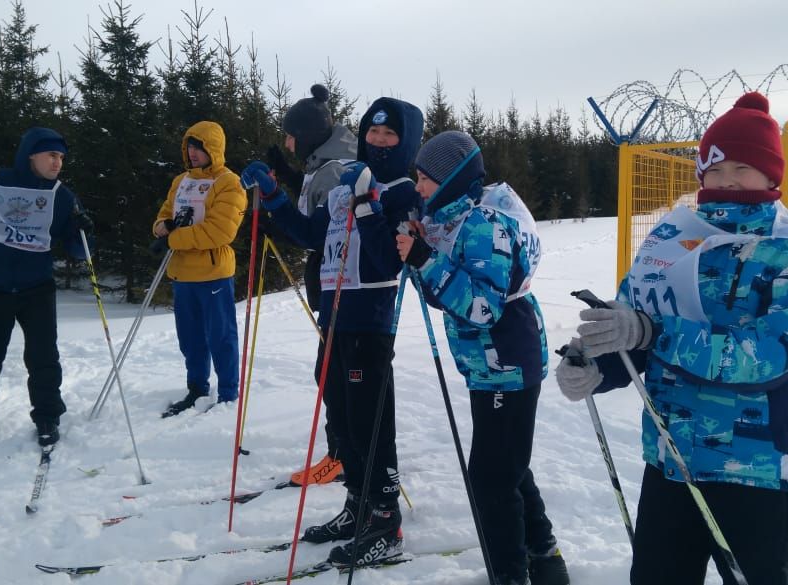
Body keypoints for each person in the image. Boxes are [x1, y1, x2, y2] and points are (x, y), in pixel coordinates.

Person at [555, 92, 788, 585]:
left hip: (753, 473)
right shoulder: (671, 239)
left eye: (743, 167)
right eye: (716, 167)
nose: (728, 179)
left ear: (772, 176)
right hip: (670, 461)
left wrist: (652, 331)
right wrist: (597, 365)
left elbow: (764, 358)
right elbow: (636, 330)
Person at [241, 97, 424, 567]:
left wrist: (366, 202)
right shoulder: (346, 183)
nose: (378, 142)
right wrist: (274, 194)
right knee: (342, 420)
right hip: (335, 318)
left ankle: (385, 521)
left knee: (370, 424)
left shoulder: (403, 191)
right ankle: (357, 506)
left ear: (405, 142)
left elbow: (389, 260)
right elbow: (308, 234)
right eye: (372, 134)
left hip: (370, 322)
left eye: (389, 136)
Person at [395, 131, 570, 585]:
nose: (419, 188)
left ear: (451, 178)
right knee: (508, 467)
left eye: (425, 179)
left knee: (491, 480)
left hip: (506, 363)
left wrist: (425, 259)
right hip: (488, 366)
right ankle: (545, 557)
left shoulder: (483, 225)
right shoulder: (454, 221)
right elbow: (446, 296)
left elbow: (483, 307)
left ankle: (510, 573)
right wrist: (422, 256)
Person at [0, 127, 93, 447]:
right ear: (30, 155)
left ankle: (48, 416)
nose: (57, 163)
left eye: (61, 157)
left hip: (35, 288)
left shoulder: (60, 194)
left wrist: (83, 231)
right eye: (51, 155)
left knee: (42, 357)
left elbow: (79, 251)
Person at [269, 84, 359, 487]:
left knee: (336, 372)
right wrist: (287, 176)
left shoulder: (336, 168)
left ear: (306, 134)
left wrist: (273, 206)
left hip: (339, 280)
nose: (287, 143)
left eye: (290, 136)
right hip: (329, 278)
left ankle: (343, 455)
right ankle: (344, 451)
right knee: (330, 369)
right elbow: (315, 199)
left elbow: (314, 232)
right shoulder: (324, 162)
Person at [155, 121, 246, 417]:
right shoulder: (181, 180)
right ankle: (196, 386)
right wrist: (160, 227)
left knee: (220, 336)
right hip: (182, 273)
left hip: (213, 272)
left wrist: (174, 238)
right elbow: (165, 213)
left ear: (213, 149)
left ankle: (229, 392)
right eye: (189, 147)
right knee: (190, 337)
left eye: (199, 147)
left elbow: (220, 231)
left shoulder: (228, 182)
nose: (193, 154)